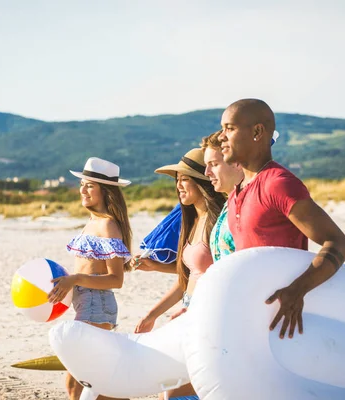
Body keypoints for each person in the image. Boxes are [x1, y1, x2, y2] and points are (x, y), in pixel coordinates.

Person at [218, 99, 345, 339]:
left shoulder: (278, 184)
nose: (221, 137)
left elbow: (338, 243)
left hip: (282, 320)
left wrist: (296, 291)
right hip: (249, 315)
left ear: (258, 131)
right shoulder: (237, 189)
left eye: (229, 128)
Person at [134, 148, 226, 400]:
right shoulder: (193, 221)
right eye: (177, 180)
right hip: (186, 316)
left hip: (206, 318)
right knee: (170, 389)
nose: (179, 186)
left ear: (202, 181)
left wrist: (197, 312)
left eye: (185, 179)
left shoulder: (217, 224)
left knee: (177, 391)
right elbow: (187, 280)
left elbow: (222, 277)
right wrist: (151, 315)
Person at [47, 157, 133, 400]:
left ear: (106, 192)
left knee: (79, 383)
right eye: (82, 184)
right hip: (86, 306)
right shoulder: (92, 224)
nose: (82, 190)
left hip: (97, 308)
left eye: (90, 185)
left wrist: (74, 279)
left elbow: (115, 280)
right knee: (89, 382)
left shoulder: (107, 226)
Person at [201, 130, 244, 261]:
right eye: (206, 165)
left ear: (237, 162)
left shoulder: (253, 202)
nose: (206, 172)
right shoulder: (229, 203)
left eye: (213, 164)